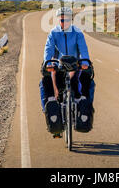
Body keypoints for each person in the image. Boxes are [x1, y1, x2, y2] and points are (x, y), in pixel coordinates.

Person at [39, 7, 95, 137]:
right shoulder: (53, 33)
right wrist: (49, 62)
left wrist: (85, 62)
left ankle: (81, 103)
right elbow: (49, 49)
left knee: (83, 81)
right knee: (49, 84)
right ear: (58, 20)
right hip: (59, 64)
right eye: (62, 20)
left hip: (74, 64)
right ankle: (54, 116)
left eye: (67, 20)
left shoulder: (77, 33)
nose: (65, 22)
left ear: (71, 20)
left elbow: (83, 49)